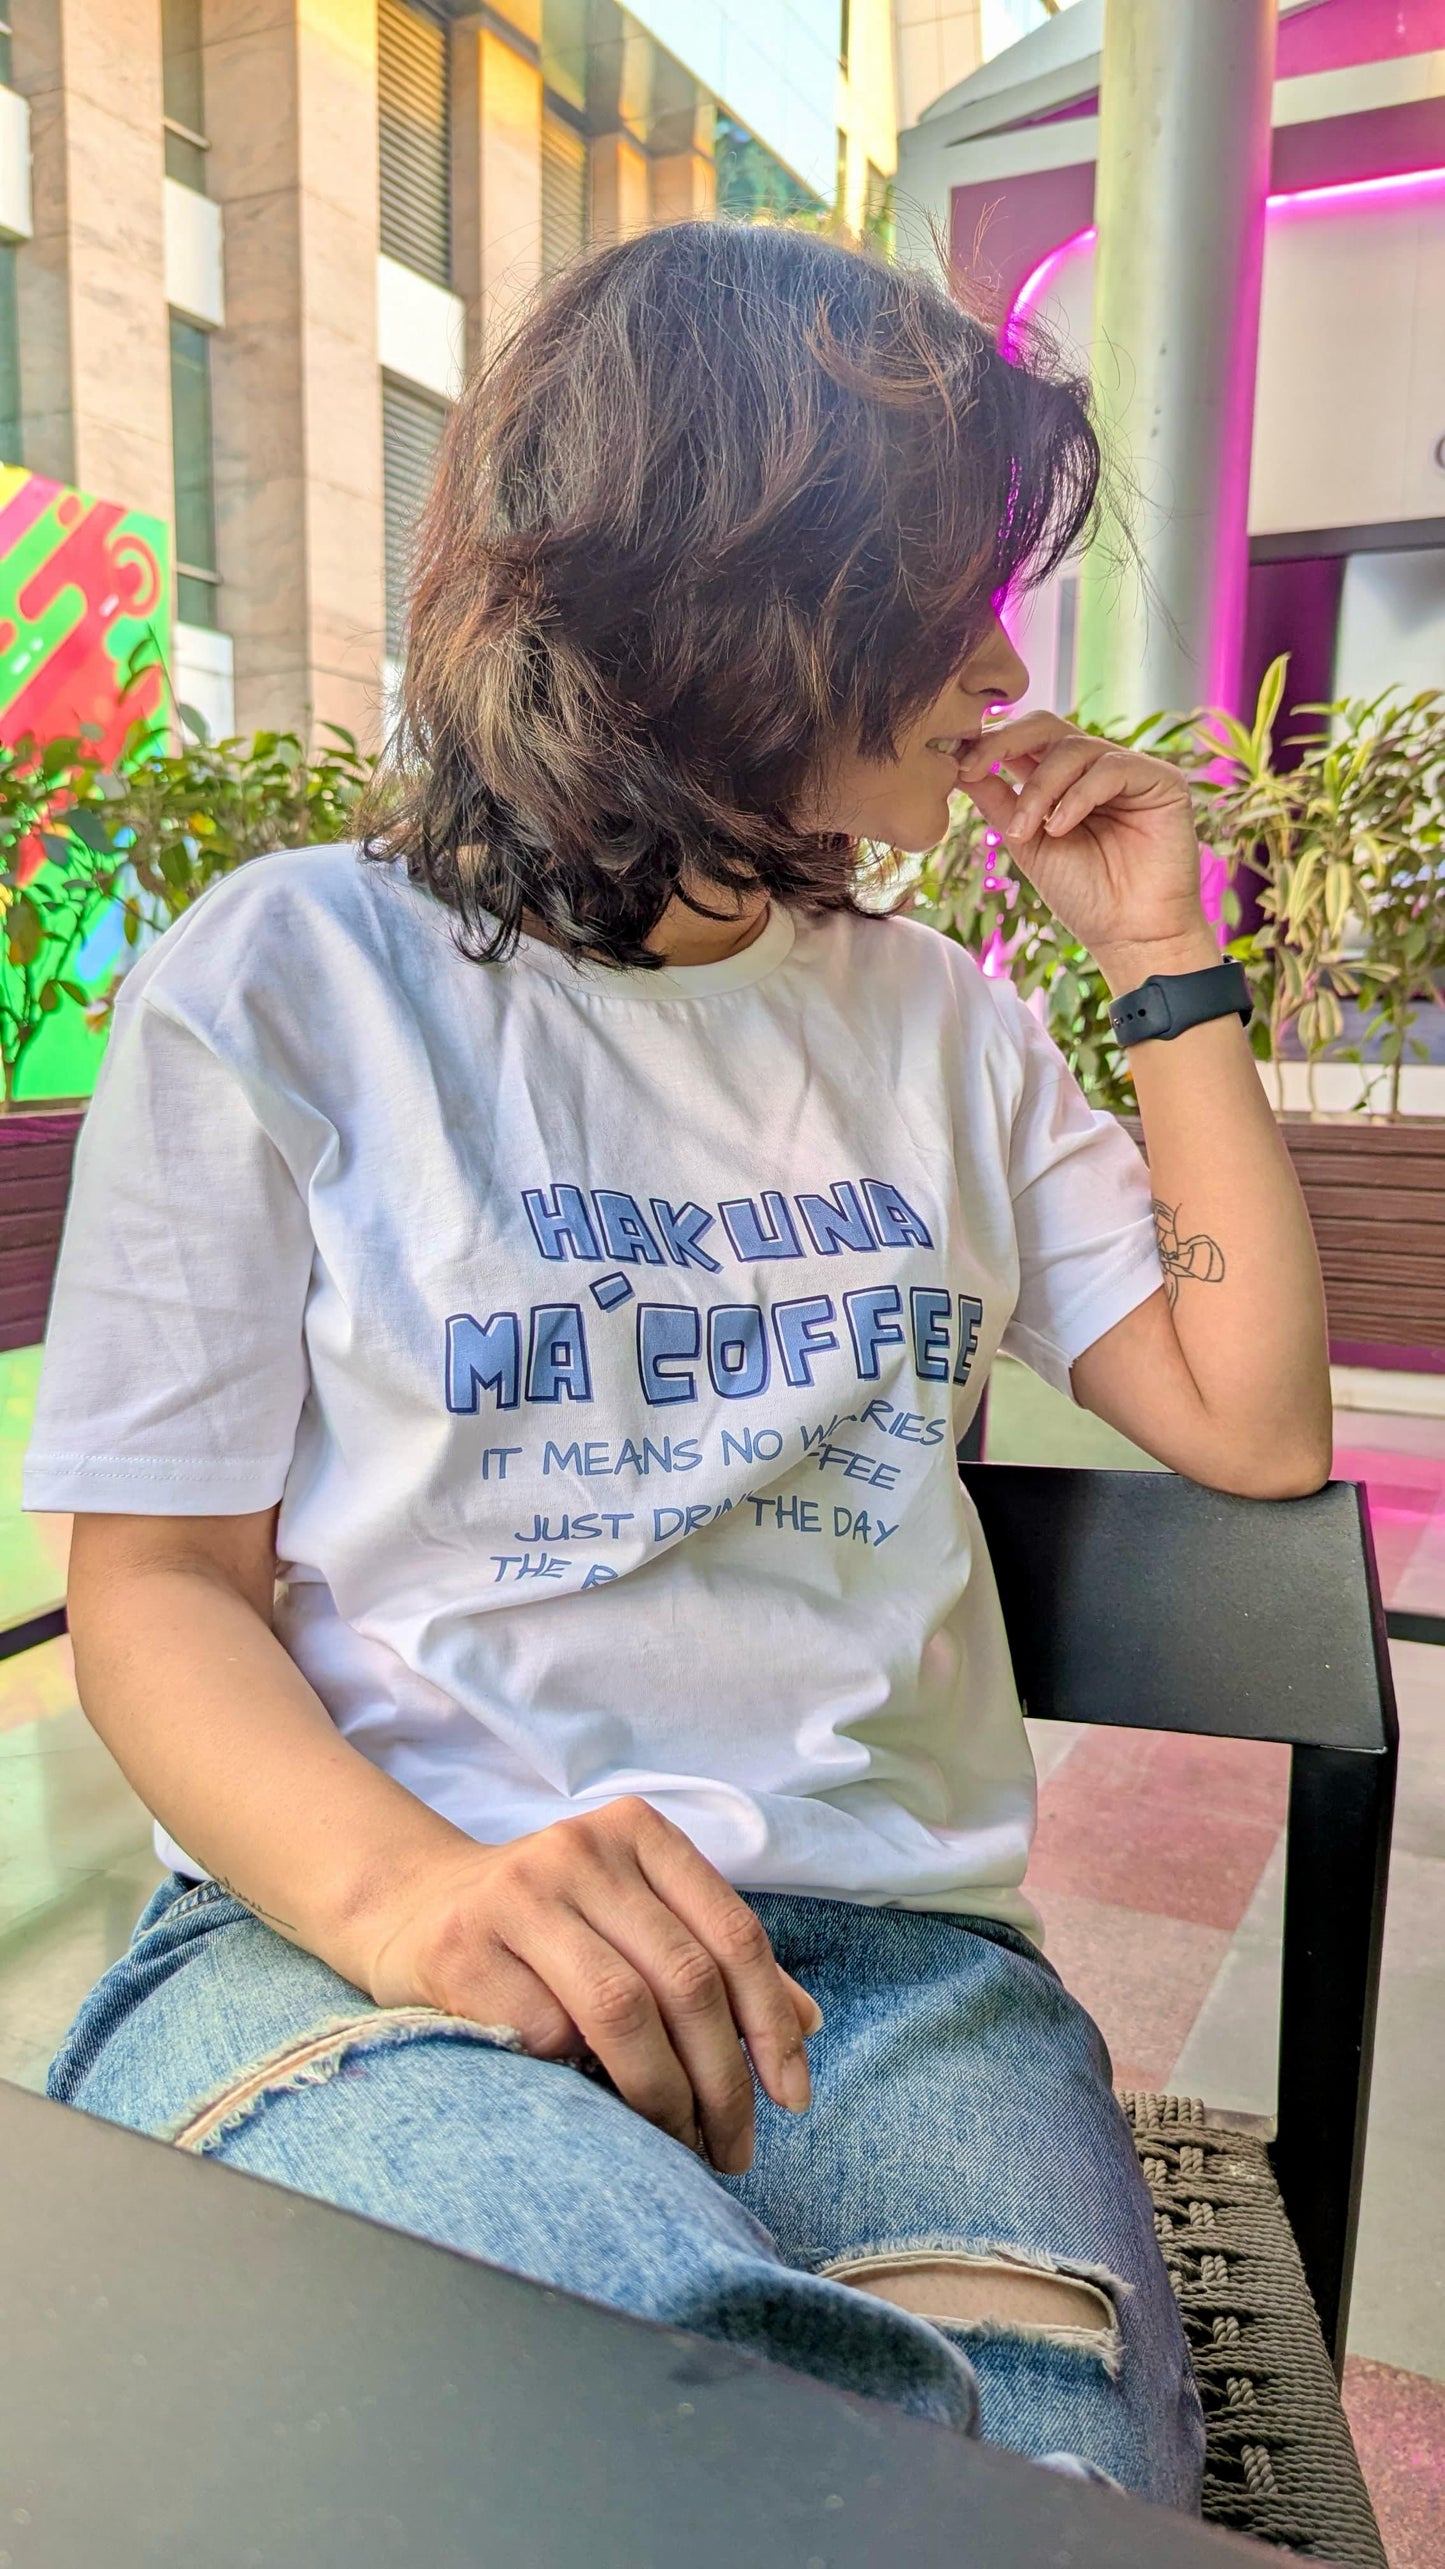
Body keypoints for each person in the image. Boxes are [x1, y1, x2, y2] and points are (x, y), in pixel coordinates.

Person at [26, 222, 1330, 2509]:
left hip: (889, 1993)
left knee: (1032, 2490)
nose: (1003, 664)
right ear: (750, 597)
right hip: (362, 1939)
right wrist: (414, 1900)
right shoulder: (291, 985)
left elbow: (1254, 1411)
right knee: (646, 2404)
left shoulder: (937, 1032)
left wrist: (1162, 949)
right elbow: (152, 1588)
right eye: (949, 597)